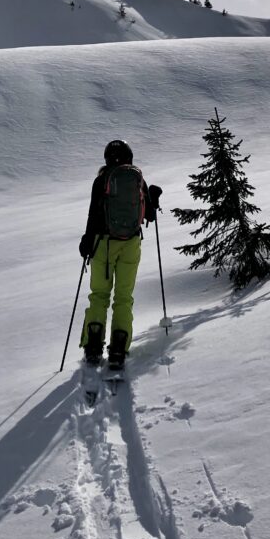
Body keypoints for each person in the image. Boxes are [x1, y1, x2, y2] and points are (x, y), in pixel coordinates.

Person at [79, 140, 162, 369]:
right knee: (124, 298)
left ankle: (93, 347)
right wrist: (153, 197)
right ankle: (119, 349)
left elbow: (93, 215)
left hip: (103, 244)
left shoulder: (101, 180)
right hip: (131, 244)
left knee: (99, 295)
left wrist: (87, 241)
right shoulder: (137, 179)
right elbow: (150, 217)